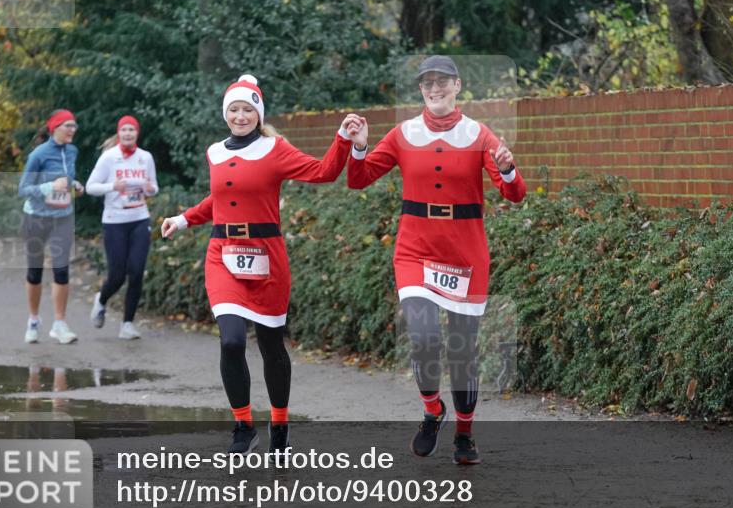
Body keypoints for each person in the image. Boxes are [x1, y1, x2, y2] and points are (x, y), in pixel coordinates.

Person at [345, 55, 526, 465]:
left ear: (458, 85)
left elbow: (514, 194)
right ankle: (432, 411)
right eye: (427, 83)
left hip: (465, 253)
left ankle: (464, 432)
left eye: (442, 81)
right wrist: (359, 147)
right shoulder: (403, 133)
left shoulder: (479, 135)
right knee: (424, 338)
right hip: (415, 251)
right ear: (421, 90)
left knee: (462, 351)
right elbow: (358, 179)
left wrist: (509, 170)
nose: (435, 88)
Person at [160, 75, 354, 454]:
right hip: (223, 252)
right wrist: (183, 219)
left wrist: (343, 139)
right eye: (234, 108)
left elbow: (324, 172)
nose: (240, 115)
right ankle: (243, 426)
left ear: (258, 113)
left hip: (267, 257)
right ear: (225, 113)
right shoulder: (216, 152)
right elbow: (219, 199)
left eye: (248, 108)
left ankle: (279, 424)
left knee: (271, 347)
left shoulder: (274, 149)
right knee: (231, 341)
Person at [85, 115, 159, 339]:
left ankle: (127, 324)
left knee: (136, 272)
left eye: (132, 130)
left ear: (137, 133)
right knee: (117, 275)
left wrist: (149, 188)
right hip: (114, 221)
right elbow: (90, 187)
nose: (128, 133)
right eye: (124, 130)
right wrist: (112, 186)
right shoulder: (109, 158)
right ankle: (102, 299)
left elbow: (154, 187)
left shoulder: (145, 158)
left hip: (139, 219)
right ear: (119, 133)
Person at [18, 109, 84, 344]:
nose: (73, 130)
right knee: (34, 272)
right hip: (36, 217)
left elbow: (66, 180)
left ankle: (59, 323)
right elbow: (23, 189)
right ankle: (34, 320)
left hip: (62, 217)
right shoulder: (39, 154)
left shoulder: (72, 151)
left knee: (61, 269)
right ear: (55, 128)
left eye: (74, 126)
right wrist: (50, 187)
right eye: (68, 126)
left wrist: (74, 185)